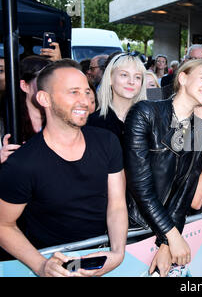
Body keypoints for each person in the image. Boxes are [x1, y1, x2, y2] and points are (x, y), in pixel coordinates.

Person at [0, 59, 128, 276]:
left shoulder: (107, 142)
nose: (85, 101)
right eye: (73, 92)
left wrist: (117, 253)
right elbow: (3, 225)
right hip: (51, 262)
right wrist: (40, 265)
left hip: (100, 258)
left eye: (87, 92)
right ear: (44, 98)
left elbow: (116, 204)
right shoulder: (22, 163)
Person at [123, 59, 202, 277]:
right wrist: (173, 236)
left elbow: (184, 192)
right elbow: (140, 186)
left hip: (165, 232)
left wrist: (166, 243)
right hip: (134, 228)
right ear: (183, 78)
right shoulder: (145, 112)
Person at [87, 52, 147, 148]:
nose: (131, 81)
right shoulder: (93, 123)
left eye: (137, 77)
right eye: (124, 75)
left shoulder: (150, 122)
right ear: (110, 78)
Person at [1, 55, 52, 163]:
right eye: (42, 81)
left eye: (53, 82)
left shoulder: (59, 120)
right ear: (25, 86)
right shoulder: (6, 124)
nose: (50, 88)